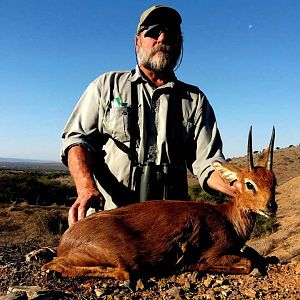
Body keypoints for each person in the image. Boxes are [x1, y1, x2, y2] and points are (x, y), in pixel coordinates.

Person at [61, 5, 239, 226]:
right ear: (137, 42)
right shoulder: (106, 86)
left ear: (179, 44)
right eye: (153, 32)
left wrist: (239, 186)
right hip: (112, 221)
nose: (162, 38)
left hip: (169, 227)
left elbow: (208, 163)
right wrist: (86, 188)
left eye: (171, 34)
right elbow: (76, 140)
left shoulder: (195, 99)